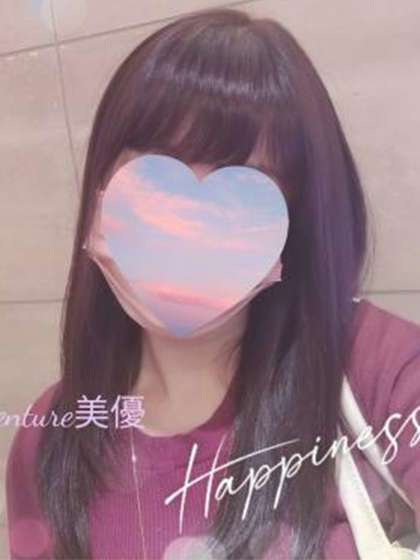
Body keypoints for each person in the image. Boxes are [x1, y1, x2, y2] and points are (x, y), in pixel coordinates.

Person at [5, 7, 420, 560]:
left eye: (244, 189)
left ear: (296, 216)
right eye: (156, 174)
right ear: (102, 188)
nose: (189, 226)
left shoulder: (382, 371)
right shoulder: (51, 434)